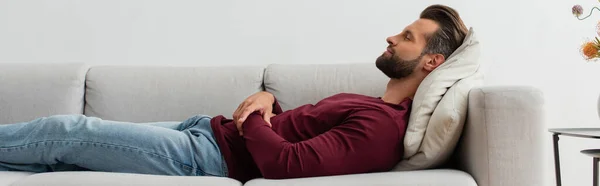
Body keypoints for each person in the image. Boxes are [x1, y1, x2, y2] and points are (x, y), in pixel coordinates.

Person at [0, 4, 468, 183]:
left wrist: (255, 116)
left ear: (432, 63)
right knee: (55, 152)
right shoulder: (373, 105)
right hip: (204, 131)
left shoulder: (381, 128)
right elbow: (302, 135)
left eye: (407, 37)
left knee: (66, 130)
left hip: (206, 157)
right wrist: (269, 104)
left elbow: (285, 165)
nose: (391, 37)